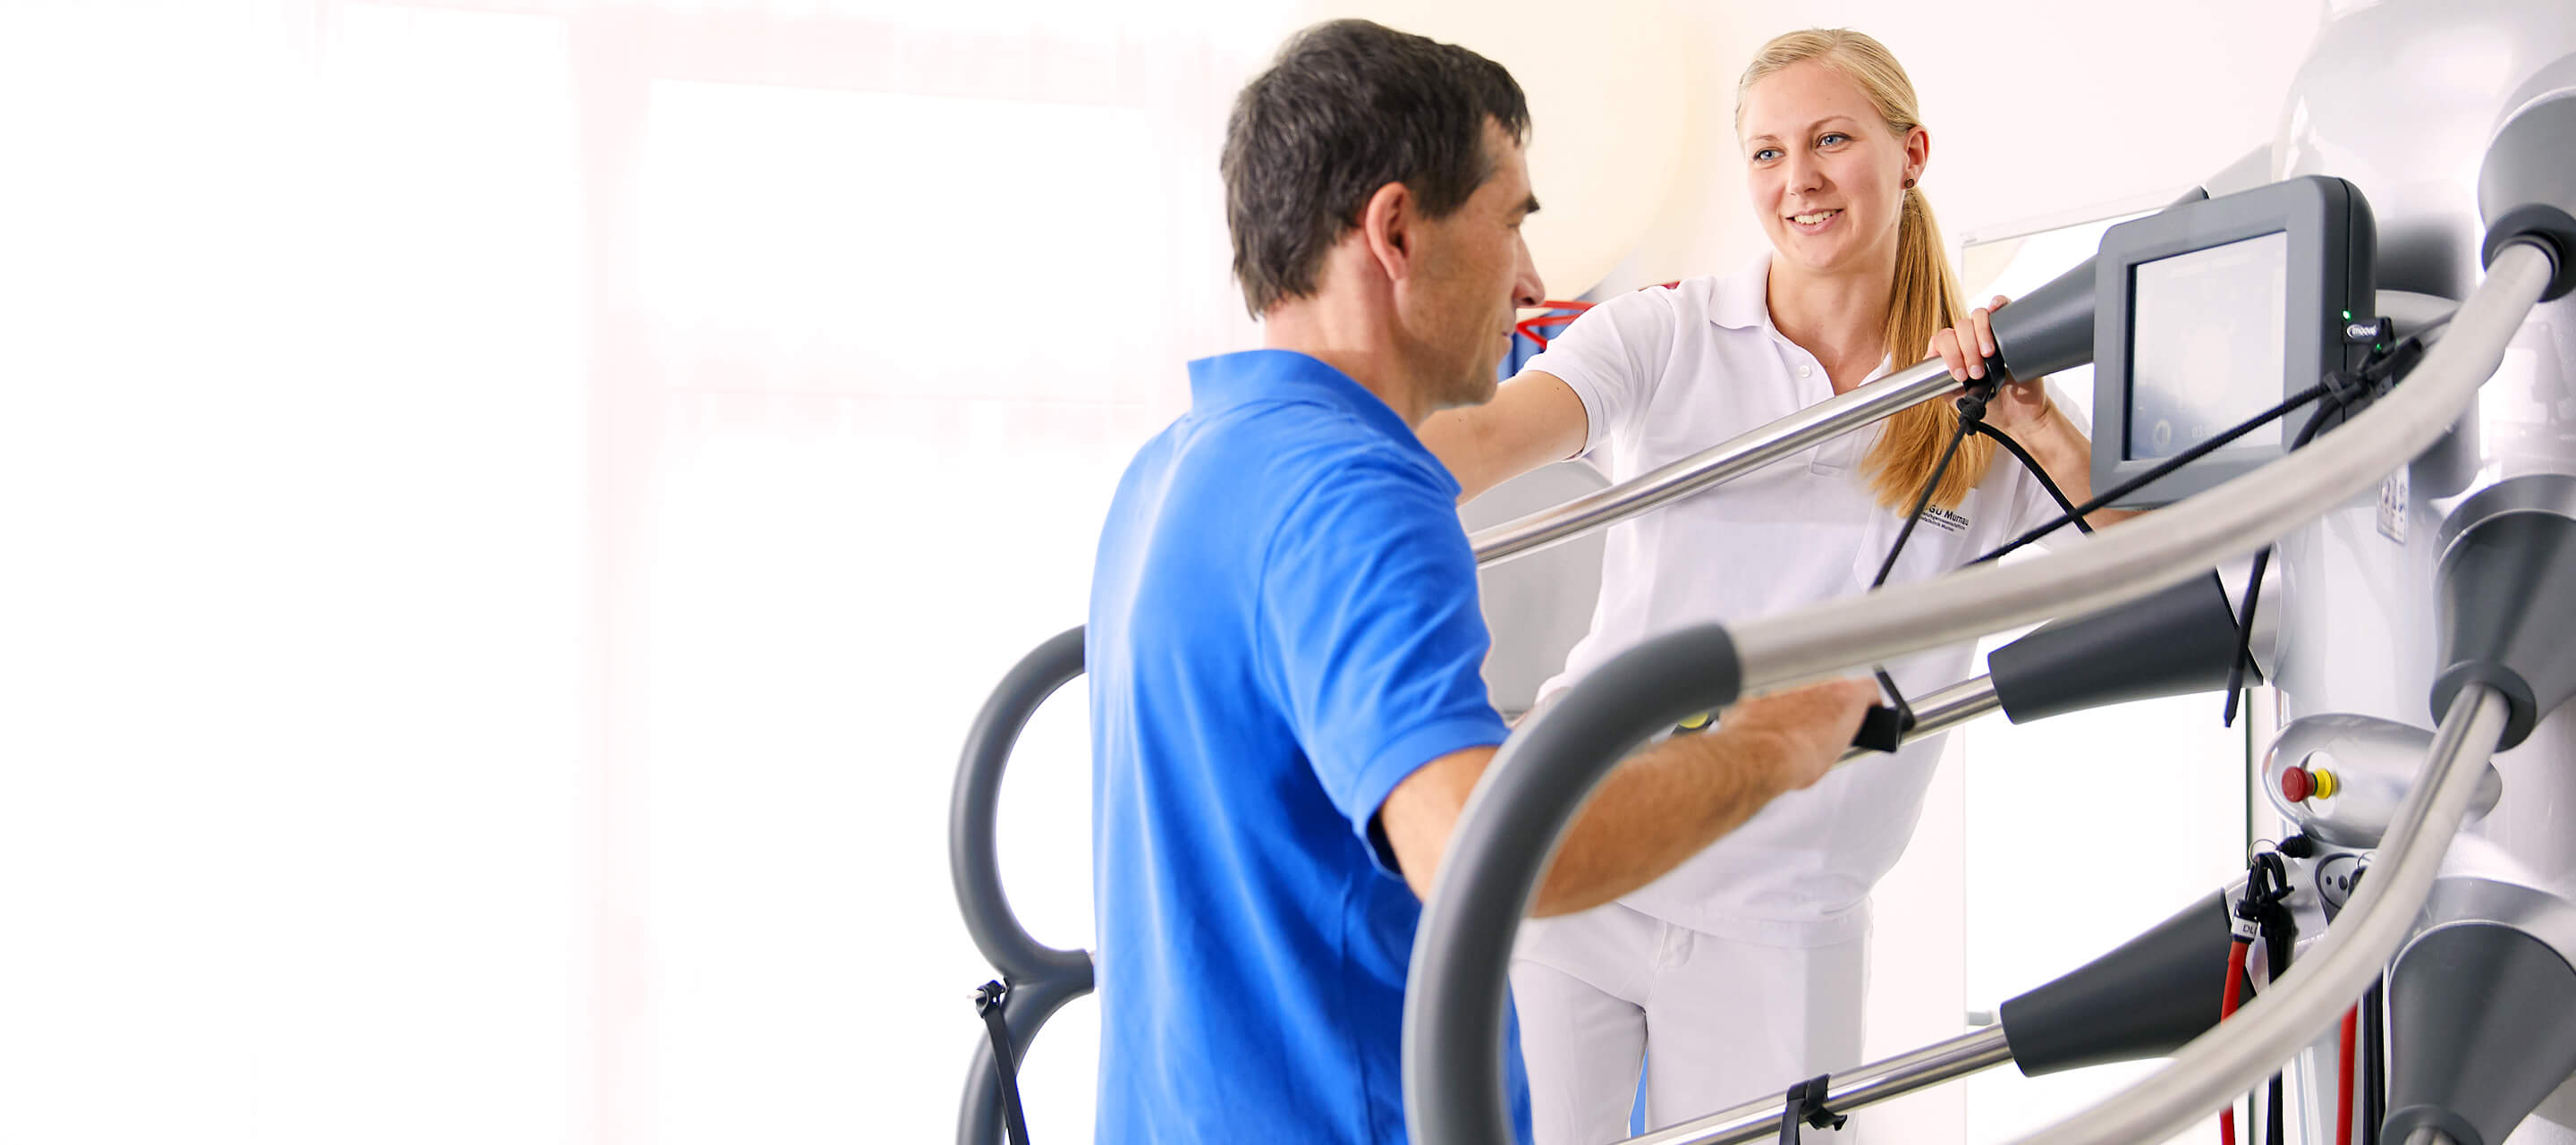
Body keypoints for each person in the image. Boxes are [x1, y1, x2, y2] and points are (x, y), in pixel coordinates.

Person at [1086, 19, 1881, 1145]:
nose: (1533, 278)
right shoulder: (1355, 493)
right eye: (1511, 222)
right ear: (1397, 230)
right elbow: (1483, 848)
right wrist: (1773, 743)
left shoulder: (1175, 465)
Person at [1415, 28, 2126, 1143]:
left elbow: (2153, 560)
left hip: (1782, 910)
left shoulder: (1979, 400)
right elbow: (1488, 438)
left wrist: (2043, 426)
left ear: (1911, 153)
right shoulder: (1667, 334)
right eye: (1765, 152)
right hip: (1584, 837)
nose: (1797, 179)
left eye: (1831, 140)